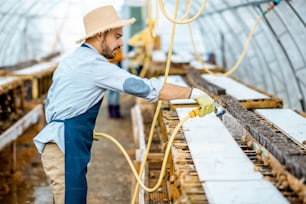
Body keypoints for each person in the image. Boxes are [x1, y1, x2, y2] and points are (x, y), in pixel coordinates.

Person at [33, 5, 215, 204]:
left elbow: (53, 101)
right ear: (100, 35)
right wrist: (192, 93)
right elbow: (141, 87)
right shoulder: (94, 65)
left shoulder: (74, 59)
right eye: (117, 36)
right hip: (65, 147)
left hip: (63, 143)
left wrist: (78, 125)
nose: (121, 43)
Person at [107, 48, 124, 118]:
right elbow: (115, 57)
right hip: (114, 64)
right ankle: (115, 112)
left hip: (109, 65)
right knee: (115, 91)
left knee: (110, 91)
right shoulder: (114, 44)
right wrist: (126, 56)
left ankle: (111, 112)